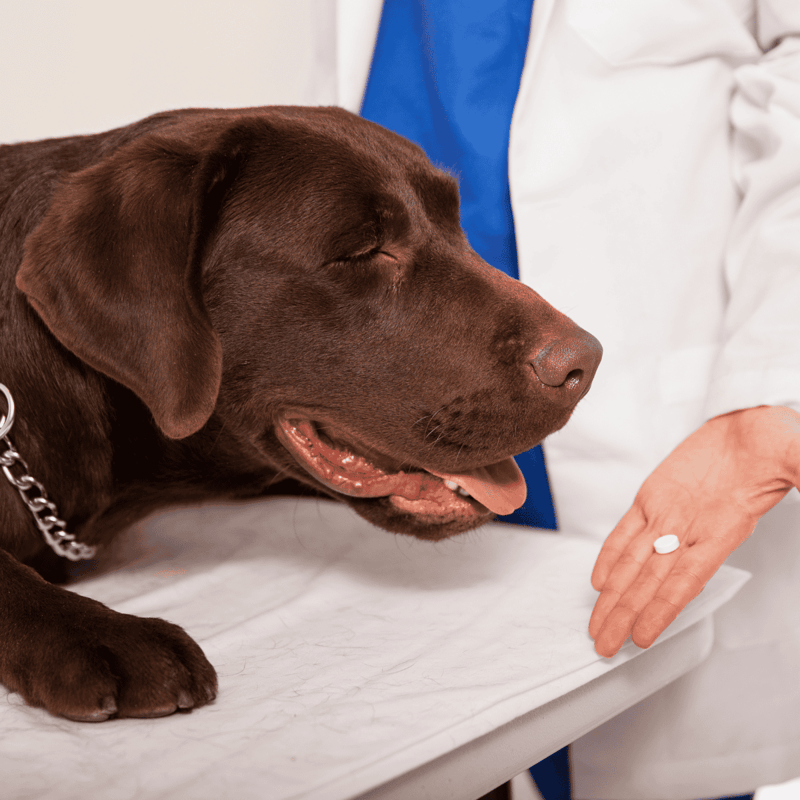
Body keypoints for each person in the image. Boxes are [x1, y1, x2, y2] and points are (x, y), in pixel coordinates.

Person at [301, 1, 800, 798]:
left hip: (642, 405)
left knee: (627, 711)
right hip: (405, 379)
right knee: (425, 736)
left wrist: (777, 381)